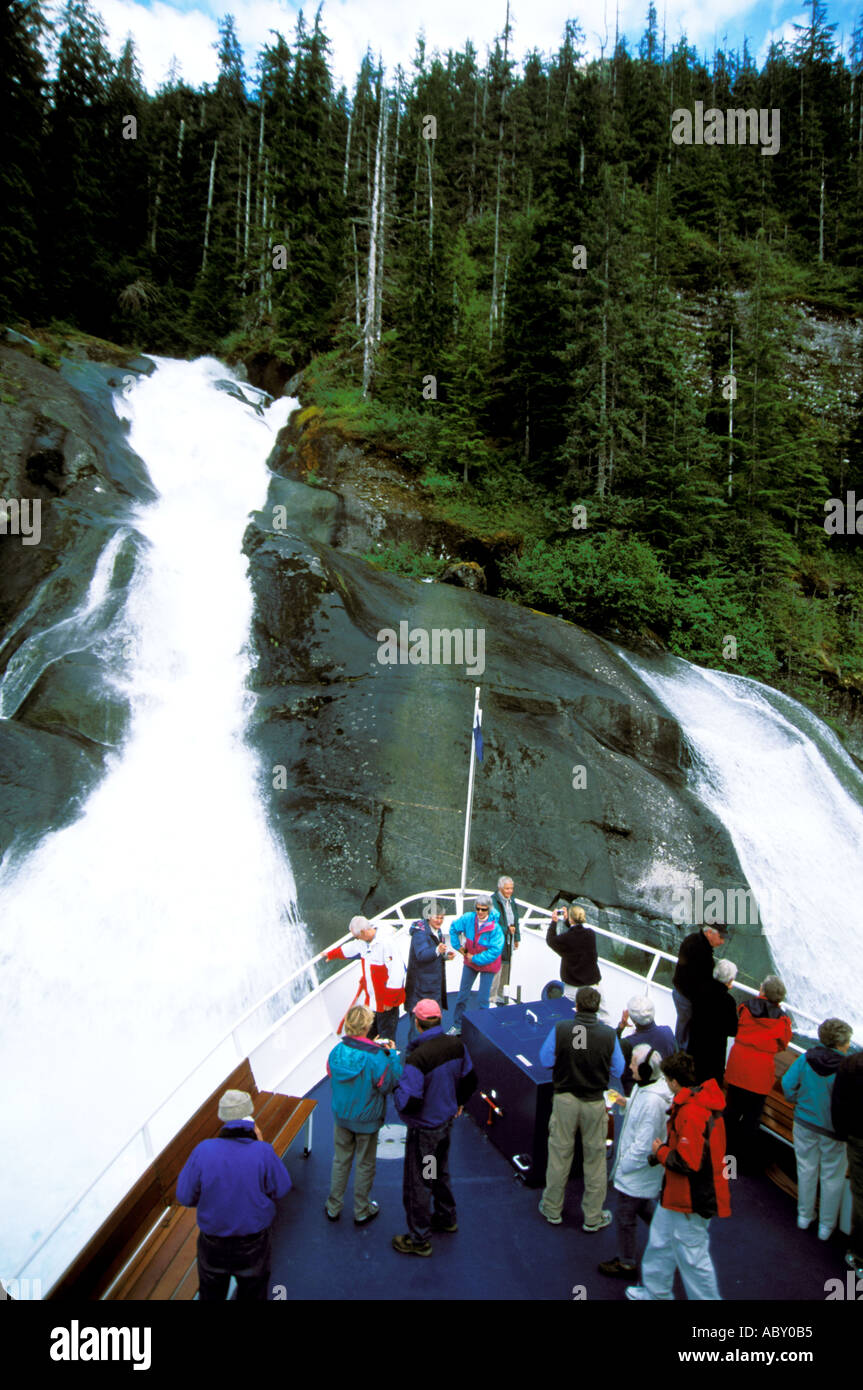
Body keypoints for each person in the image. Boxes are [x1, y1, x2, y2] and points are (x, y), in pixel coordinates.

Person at [625, 1052, 730, 1301]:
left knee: (693, 1258)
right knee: (660, 1242)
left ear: (673, 1082)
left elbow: (687, 1162)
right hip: (677, 1193)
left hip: (692, 1198)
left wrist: (659, 1151)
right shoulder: (697, 1102)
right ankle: (656, 1292)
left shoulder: (691, 1113)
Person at [176, 1089, 291, 1301]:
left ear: (223, 1118)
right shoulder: (263, 1152)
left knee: (211, 1295)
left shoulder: (204, 1150)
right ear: (250, 1116)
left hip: (213, 1244)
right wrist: (262, 1144)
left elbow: (184, 1196)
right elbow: (281, 1188)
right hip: (253, 1245)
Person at [392, 999, 477, 1256]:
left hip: (425, 1131)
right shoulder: (456, 1045)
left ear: (417, 1024)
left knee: (419, 1181)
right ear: (440, 1020)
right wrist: (459, 1102)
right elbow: (470, 1078)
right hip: (445, 1124)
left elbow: (410, 1101)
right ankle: (446, 1217)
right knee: (439, 1172)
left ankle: (419, 1239)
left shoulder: (418, 1058)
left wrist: (396, 1087)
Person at [538, 985, 624, 1231]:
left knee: (559, 1156)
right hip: (594, 1103)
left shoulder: (562, 1029)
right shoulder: (608, 1035)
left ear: (576, 1006)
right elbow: (618, 1069)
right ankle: (592, 1217)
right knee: (595, 1161)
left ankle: (552, 1209)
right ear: (597, 1008)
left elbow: (545, 1060)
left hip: (565, 1100)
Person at [598, 1045, 673, 1280]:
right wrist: (625, 1102)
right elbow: (639, 1110)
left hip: (635, 1172)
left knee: (625, 1217)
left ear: (644, 1069)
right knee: (642, 1205)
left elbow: (642, 1146)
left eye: (632, 1063)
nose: (629, 1067)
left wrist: (623, 1168)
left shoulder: (652, 1102)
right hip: (642, 1174)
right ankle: (671, 1240)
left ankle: (626, 1262)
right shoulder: (649, 1087)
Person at [325, 1004, 403, 1224]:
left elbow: (331, 1073)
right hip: (367, 1120)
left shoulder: (336, 1051)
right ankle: (361, 1209)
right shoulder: (377, 1056)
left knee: (340, 1160)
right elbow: (389, 1084)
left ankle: (333, 1206)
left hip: (341, 1116)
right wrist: (393, 1056)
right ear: (367, 1026)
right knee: (365, 1163)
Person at [782, 1017, 853, 1240]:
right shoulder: (847, 1068)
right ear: (841, 1044)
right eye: (848, 1041)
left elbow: (787, 1085)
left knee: (806, 1169)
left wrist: (796, 1101)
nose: (849, 1045)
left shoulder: (806, 1058)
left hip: (804, 1122)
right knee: (833, 1177)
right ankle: (826, 1228)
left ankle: (804, 1217)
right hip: (834, 1132)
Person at [724, 976, 793, 1171]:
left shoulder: (745, 1008)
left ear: (762, 991)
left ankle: (724, 1155)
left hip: (738, 1066)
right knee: (751, 1120)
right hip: (760, 1073)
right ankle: (739, 1164)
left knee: (731, 1112)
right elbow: (783, 1044)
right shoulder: (783, 1020)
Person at [326, 914, 406, 1042]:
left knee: (386, 1039)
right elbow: (351, 948)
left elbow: (397, 971)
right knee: (370, 1036)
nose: (356, 939)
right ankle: (371, 1057)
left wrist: (390, 1001)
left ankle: (386, 1060)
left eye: (356, 936)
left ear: (363, 932)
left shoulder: (386, 943)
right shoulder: (363, 942)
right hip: (372, 1002)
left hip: (386, 1004)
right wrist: (331, 954)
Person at [448, 894, 504, 1035]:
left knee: (483, 999)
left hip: (488, 966)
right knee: (462, 995)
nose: (480, 912)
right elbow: (453, 928)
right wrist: (460, 948)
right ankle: (457, 1025)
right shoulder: (468, 919)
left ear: (489, 910)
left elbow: (495, 951)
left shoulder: (495, 928)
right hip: (470, 962)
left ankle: (481, 1029)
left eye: (483, 910)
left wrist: (475, 958)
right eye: (478, 909)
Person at [831, 1035, 863, 1277]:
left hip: (857, 1138)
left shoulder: (850, 1064)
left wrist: (843, 1134)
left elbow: (839, 1103)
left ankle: (858, 1255)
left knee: (860, 1195)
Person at [672, 923, 729, 1049]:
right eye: (721, 937)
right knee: (685, 1029)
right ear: (709, 933)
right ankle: (680, 1055)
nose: (722, 941)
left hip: (679, 991)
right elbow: (701, 984)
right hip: (686, 998)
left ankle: (678, 1051)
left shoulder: (692, 939)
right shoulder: (703, 953)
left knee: (682, 1024)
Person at [404, 899, 454, 1044]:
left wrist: (444, 957)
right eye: (436, 917)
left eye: (442, 918)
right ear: (428, 917)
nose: (439, 921)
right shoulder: (420, 934)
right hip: (421, 989)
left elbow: (432, 955)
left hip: (433, 987)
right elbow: (421, 955)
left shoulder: (436, 931)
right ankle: (412, 1055)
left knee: (433, 1022)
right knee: (417, 1024)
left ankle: (431, 1049)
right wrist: (438, 950)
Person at [688, 959, 739, 1086]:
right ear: (730, 980)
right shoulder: (728, 1001)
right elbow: (733, 1030)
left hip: (695, 1045)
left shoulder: (699, 989)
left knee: (691, 1080)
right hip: (714, 1054)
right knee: (709, 1088)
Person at [616, 995, 676, 1095]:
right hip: (664, 1090)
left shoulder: (627, 1043)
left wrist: (620, 1028)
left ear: (633, 1020)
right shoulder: (667, 1031)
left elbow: (612, 1054)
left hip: (634, 1093)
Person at [545, 904, 600, 999]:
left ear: (571, 919)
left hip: (573, 986)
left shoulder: (565, 938)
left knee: (571, 1011)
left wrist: (554, 922)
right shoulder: (590, 934)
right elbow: (577, 931)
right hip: (592, 983)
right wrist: (568, 921)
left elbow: (551, 940)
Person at [490, 875, 521, 1005]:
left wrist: (517, 937)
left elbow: (516, 920)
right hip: (497, 940)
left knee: (507, 966)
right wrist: (507, 930)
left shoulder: (512, 901)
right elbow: (492, 923)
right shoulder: (493, 901)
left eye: (511, 888)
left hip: (509, 939)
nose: (510, 891)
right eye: (507, 889)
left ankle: (502, 996)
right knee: (496, 968)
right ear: (500, 888)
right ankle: (491, 998)